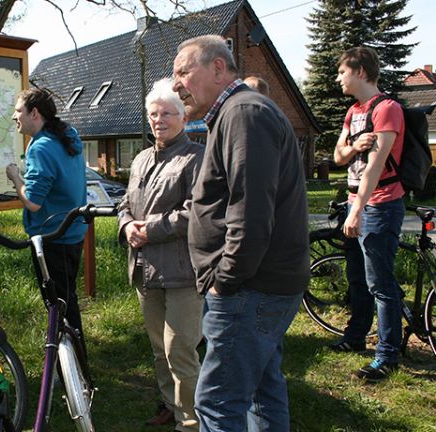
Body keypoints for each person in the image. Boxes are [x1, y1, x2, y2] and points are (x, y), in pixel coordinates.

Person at [172, 35, 309, 431]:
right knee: (262, 394)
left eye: (183, 71)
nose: (176, 83)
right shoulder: (236, 113)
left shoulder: (244, 113)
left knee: (217, 402)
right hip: (257, 287)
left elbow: (250, 211)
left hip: (249, 289)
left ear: (218, 68)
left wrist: (224, 281)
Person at [118, 78, 204, 431]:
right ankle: (171, 404)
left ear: (183, 117)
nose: (159, 119)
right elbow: (125, 203)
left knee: (180, 349)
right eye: (153, 113)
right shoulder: (140, 158)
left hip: (183, 271)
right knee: (158, 349)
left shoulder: (197, 156)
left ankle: (192, 420)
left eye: (167, 113)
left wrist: (148, 229)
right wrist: (126, 227)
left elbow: (196, 212)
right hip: (144, 269)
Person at [330, 47, 405, 382]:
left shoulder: (388, 109)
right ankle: (356, 335)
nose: (338, 78)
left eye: (342, 71)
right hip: (355, 202)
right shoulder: (352, 112)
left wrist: (357, 211)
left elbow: (375, 169)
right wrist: (354, 147)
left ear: (360, 71)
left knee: (381, 284)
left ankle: (388, 355)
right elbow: (338, 156)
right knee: (357, 277)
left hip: (380, 205)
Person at [5, 88, 88, 349]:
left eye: (18, 111)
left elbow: (32, 201)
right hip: (72, 232)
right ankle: (72, 361)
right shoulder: (66, 134)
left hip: (53, 238)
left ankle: (72, 368)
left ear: (35, 113)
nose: (13, 116)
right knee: (66, 299)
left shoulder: (40, 147)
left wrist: (15, 178)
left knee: (59, 304)